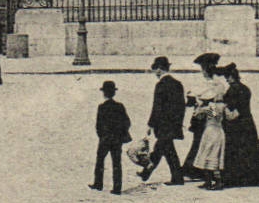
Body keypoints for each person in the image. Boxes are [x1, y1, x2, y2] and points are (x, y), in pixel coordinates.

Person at [219, 63, 259, 187]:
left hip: (236, 124)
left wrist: (221, 106)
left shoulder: (233, 89)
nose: (226, 80)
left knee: (235, 150)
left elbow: (231, 111)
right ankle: (256, 178)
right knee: (250, 150)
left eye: (227, 77)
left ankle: (235, 179)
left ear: (232, 77)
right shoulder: (245, 88)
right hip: (247, 123)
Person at [138, 56, 187, 185]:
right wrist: (178, 122)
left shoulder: (161, 85)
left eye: (155, 69)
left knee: (166, 150)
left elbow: (157, 108)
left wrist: (150, 125)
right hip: (174, 124)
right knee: (162, 148)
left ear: (159, 69)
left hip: (163, 125)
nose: (155, 73)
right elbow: (182, 106)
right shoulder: (178, 84)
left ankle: (177, 178)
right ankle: (146, 172)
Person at [181, 52, 226, 181]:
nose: (203, 71)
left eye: (204, 68)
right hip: (206, 117)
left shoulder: (214, 85)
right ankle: (196, 169)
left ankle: (197, 169)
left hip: (208, 118)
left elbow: (213, 106)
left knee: (203, 143)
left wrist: (201, 105)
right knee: (200, 143)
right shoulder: (216, 84)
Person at [90, 79, 131, 195]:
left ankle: (98, 184)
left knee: (100, 160)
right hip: (117, 139)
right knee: (117, 163)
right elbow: (127, 122)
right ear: (114, 92)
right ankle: (117, 188)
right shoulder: (120, 106)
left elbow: (98, 125)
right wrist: (120, 133)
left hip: (105, 139)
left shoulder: (102, 107)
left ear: (104, 93)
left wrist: (102, 136)